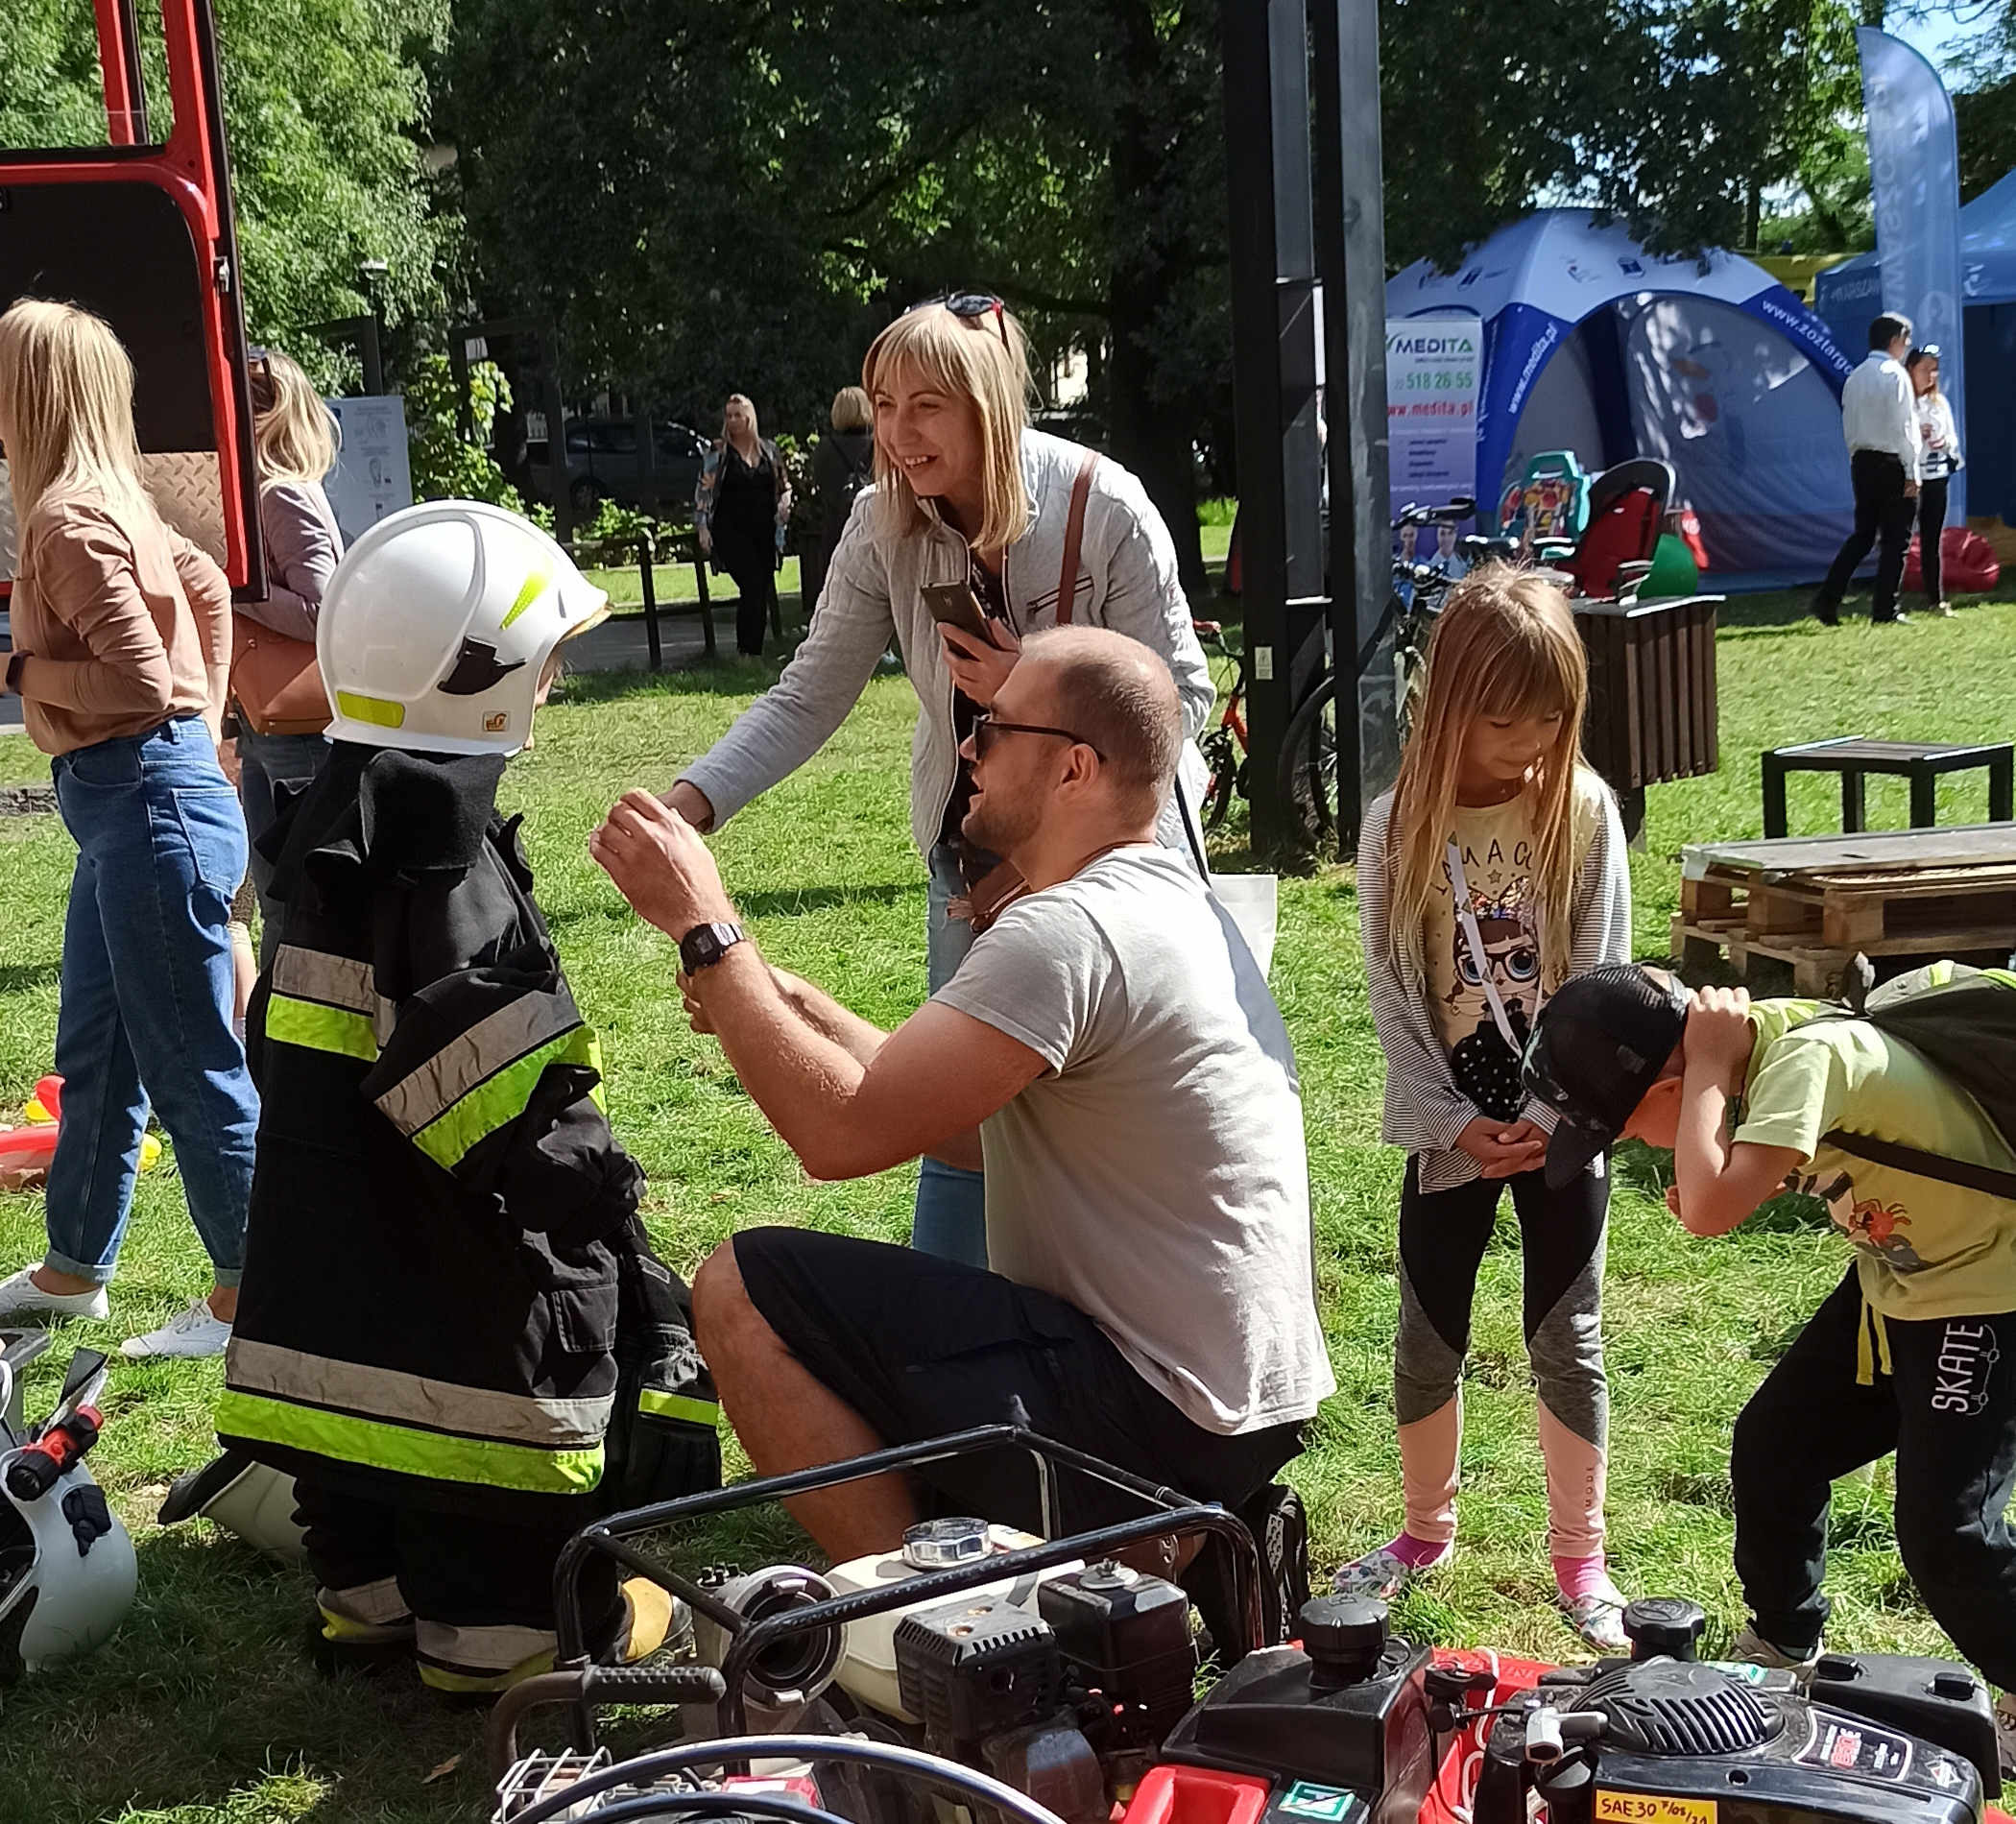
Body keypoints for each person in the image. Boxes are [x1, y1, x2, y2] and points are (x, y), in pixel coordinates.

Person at [593, 627, 1333, 1583]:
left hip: (1156, 1412)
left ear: (1074, 767)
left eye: (997, 725)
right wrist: (777, 994)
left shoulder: (1067, 931)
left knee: (741, 1289)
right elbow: (960, 1129)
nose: (969, 744)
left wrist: (705, 925)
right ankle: (1175, 1550)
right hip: (1236, 1409)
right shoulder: (1162, 901)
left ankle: (947, 1637)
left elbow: (839, 1133)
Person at [215, 501, 680, 1692]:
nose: (554, 679)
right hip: (452, 1332)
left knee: (363, 1452)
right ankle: (495, 1635)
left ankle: (370, 1595)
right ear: (481, 678)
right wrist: (617, 1227)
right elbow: (503, 1115)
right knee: (520, 1361)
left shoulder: (331, 810)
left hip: (324, 1319)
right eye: (544, 659)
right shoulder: (441, 854)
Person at [662, 298, 1212, 1270]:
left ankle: (1101, 1333)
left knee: (1100, 1121)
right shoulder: (882, 525)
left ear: (989, 409)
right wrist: (692, 803)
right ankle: (949, 1349)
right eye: (882, 405)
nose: (899, 435)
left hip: (1106, 880)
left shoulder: (1105, 506)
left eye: (927, 407)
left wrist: (1032, 681)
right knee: (953, 1124)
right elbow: (807, 695)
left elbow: (1182, 708)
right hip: (966, 862)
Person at [1524, 966, 2016, 1749]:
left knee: (1948, 1532)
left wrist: (1709, 1077)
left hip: (1987, 1288)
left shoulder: (1796, 1059)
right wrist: (1719, 1135)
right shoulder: (1764, 1055)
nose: (1631, 1146)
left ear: (1666, 1086)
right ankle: (1786, 1646)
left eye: (1625, 1128)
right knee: (1776, 1447)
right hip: (1901, 1278)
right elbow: (1743, 1175)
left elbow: (1713, 1212)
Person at [1339, 565, 1634, 1651]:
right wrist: (1454, 1124)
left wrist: (1563, 1117)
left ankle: (1580, 1554)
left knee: (1571, 1337)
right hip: (1450, 1134)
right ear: (1451, 698)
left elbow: (1608, 978)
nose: (1531, 740)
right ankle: (1424, 1531)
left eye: (1553, 714)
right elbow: (1391, 995)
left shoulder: (1583, 809)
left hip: (1566, 1134)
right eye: (1508, 716)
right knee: (1427, 1336)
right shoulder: (1395, 827)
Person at [0, 298, 257, 1359]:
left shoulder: (64, 518)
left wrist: (19, 671)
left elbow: (141, 678)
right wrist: (210, 722)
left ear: (33, 394)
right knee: (100, 1049)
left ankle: (256, 1292)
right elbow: (204, 588)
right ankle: (74, 1270)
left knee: (193, 1062)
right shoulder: (120, 504)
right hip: (138, 807)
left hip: (144, 803)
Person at [233, 346, 345, 949]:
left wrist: (234, 586)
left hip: (297, 729)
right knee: (280, 894)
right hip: (270, 722)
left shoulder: (280, 495)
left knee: (299, 899)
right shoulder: (270, 492)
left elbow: (321, 608)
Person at [1812, 314, 1922, 628]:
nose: (1907, 346)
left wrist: (1855, 459)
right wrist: (1912, 473)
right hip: (1891, 462)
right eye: (1906, 340)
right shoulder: (1896, 375)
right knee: (1896, 540)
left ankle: (1828, 598)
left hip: (1862, 461)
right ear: (1895, 340)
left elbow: (1849, 425)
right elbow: (1905, 428)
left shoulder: (1855, 376)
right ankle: (1885, 608)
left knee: (1862, 536)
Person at [695, 395, 791, 657]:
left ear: (750, 417)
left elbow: (784, 486)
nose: (733, 420)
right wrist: (703, 527)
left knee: (760, 586)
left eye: (738, 414)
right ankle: (746, 650)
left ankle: (754, 652)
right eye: (729, 415)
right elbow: (703, 493)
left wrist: (785, 504)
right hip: (731, 530)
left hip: (764, 531)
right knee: (751, 582)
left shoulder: (768, 450)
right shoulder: (719, 453)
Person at [803, 385, 876, 613]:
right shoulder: (878, 445)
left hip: (836, 529)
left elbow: (820, 486)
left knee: (839, 601)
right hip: (872, 528)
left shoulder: (824, 449)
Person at [1907, 345, 1963, 618]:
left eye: (1935, 370)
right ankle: (1888, 598)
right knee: (1899, 539)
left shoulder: (1939, 404)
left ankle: (1935, 600)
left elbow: (1953, 440)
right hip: (1909, 479)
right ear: (1910, 370)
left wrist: (1945, 443)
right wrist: (1918, 433)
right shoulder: (1902, 403)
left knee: (1932, 540)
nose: (1931, 375)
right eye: (1925, 369)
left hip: (1937, 478)